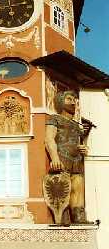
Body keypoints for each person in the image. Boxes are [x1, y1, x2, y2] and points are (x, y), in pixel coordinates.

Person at [45, 91, 88, 223]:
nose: (73, 102)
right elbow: (49, 139)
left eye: (74, 99)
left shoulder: (76, 125)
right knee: (63, 188)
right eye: (69, 99)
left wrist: (84, 148)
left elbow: (80, 143)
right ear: (60, 101)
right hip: (62, 157)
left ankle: (78, 215)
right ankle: (62, 217)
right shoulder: (54, 118)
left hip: (77, 160)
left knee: (78, 187)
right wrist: (55, 158)